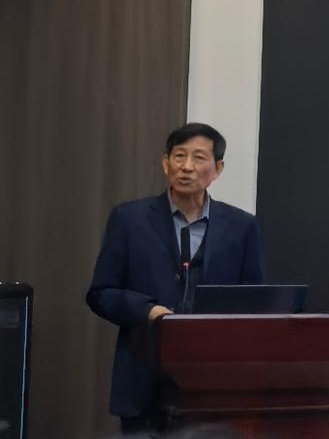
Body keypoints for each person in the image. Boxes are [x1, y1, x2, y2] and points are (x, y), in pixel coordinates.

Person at [86, 123, 264, 434]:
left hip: (214, 384)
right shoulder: (129, 219)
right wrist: (148, 310)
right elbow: (101, 293)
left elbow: (254, 301)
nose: (187, 167)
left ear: (217, 169)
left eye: (199, 158)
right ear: (165, 163)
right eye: (179, 156)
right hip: (143, 377)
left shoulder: (242, 227)